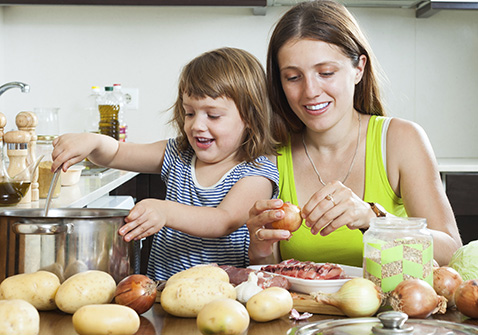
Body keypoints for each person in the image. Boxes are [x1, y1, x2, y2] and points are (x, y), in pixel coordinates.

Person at [246, 0, 462, 268]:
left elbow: (451, 252)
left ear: (358, 68)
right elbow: (272, 270)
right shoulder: (272, 155)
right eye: (293, 77)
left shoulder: (401, 140)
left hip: (391, 309)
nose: (310, 90)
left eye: (326, 72)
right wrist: (260, 247)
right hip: (309, 310)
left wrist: (373, 219)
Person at [51, 47, 279, 280]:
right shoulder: (177, 153)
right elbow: (116, 153)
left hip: (225, 300)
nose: (197, 125)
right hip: (162, 294)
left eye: (212, 115)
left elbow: (224, 220)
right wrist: (93, 142)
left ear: (250, 118)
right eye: (189, 113)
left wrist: (165, 211)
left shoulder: (257, 173)